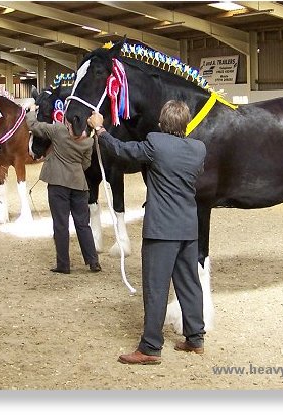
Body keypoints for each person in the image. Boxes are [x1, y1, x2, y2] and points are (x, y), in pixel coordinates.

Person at [87, 100, 207, 365]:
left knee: (156, 287)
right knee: (189, 283)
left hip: (161, 229)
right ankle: (195, 337)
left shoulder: (155, 143)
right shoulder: (199, 149)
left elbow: (120, 150)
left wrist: (100, 130)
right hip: (188, 226)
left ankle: (151, 347)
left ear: (162, 123)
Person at [26, 104, 101, 274]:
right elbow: (86, 164)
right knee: (83, 224)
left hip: (58, 184)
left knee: (61, 225)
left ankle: (63, 264)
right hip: (79, 185)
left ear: (68, 122)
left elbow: (34, 126)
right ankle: (92, 261)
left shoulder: (58, 131)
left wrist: (31, 112)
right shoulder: (89, 141)